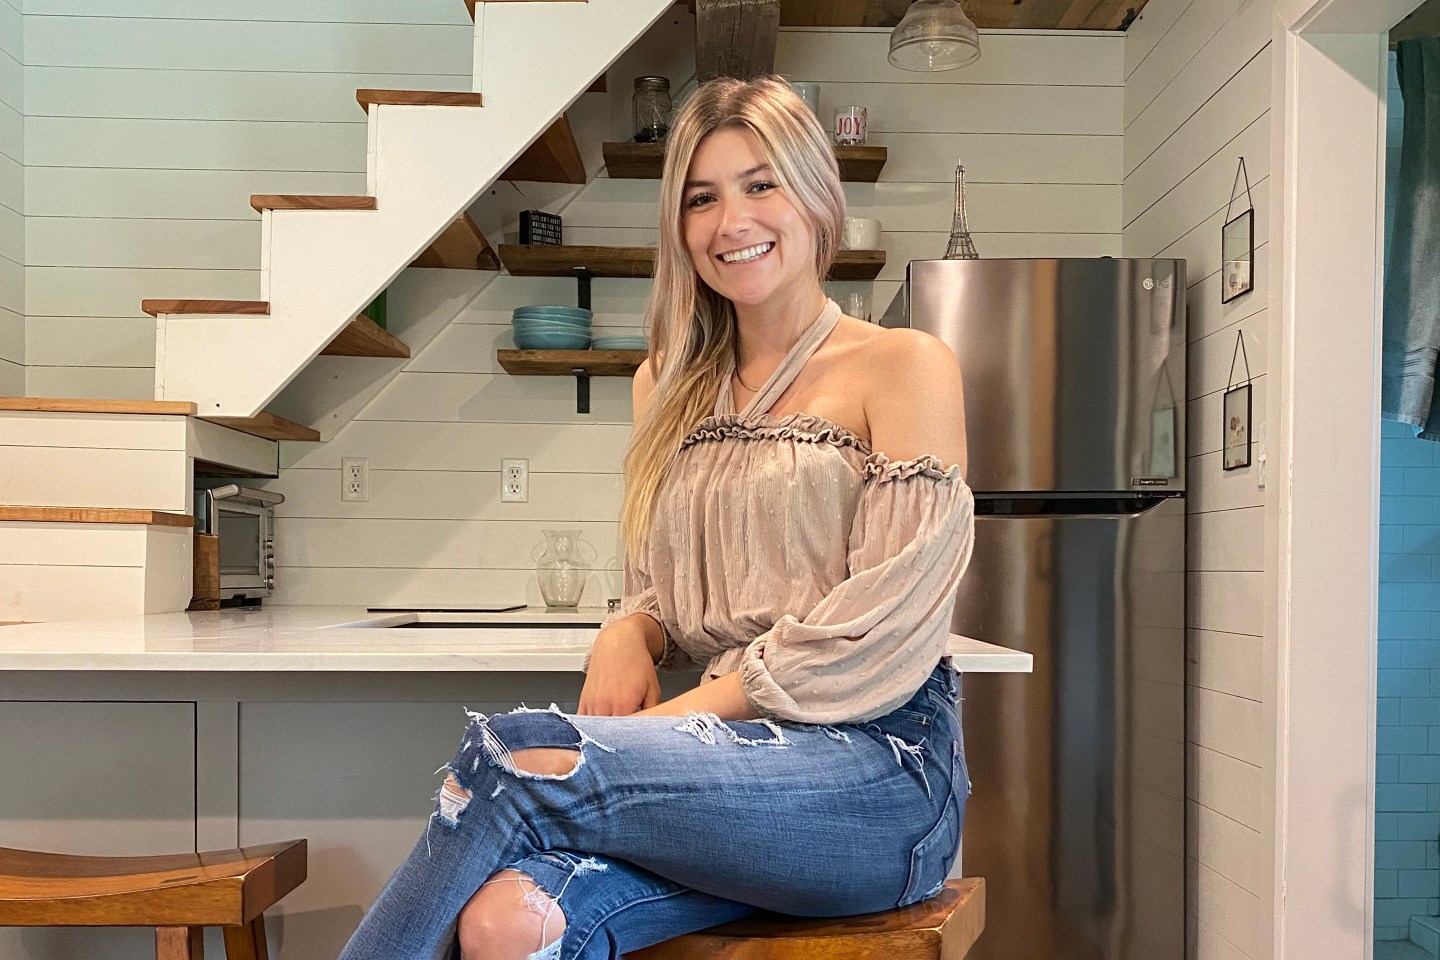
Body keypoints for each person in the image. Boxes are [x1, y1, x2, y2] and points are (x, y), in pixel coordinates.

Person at [337, 75, 976, 960]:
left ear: (816, 196)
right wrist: (627, 629)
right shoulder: (664, 389)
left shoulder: (905, 364)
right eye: (701, 198)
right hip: (731, 767)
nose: (731, 221)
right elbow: (662, 589)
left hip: (879, 775)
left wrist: (678, 716)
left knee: (515, 757)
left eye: (761, 184)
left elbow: (888, 622)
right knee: (504, 924)